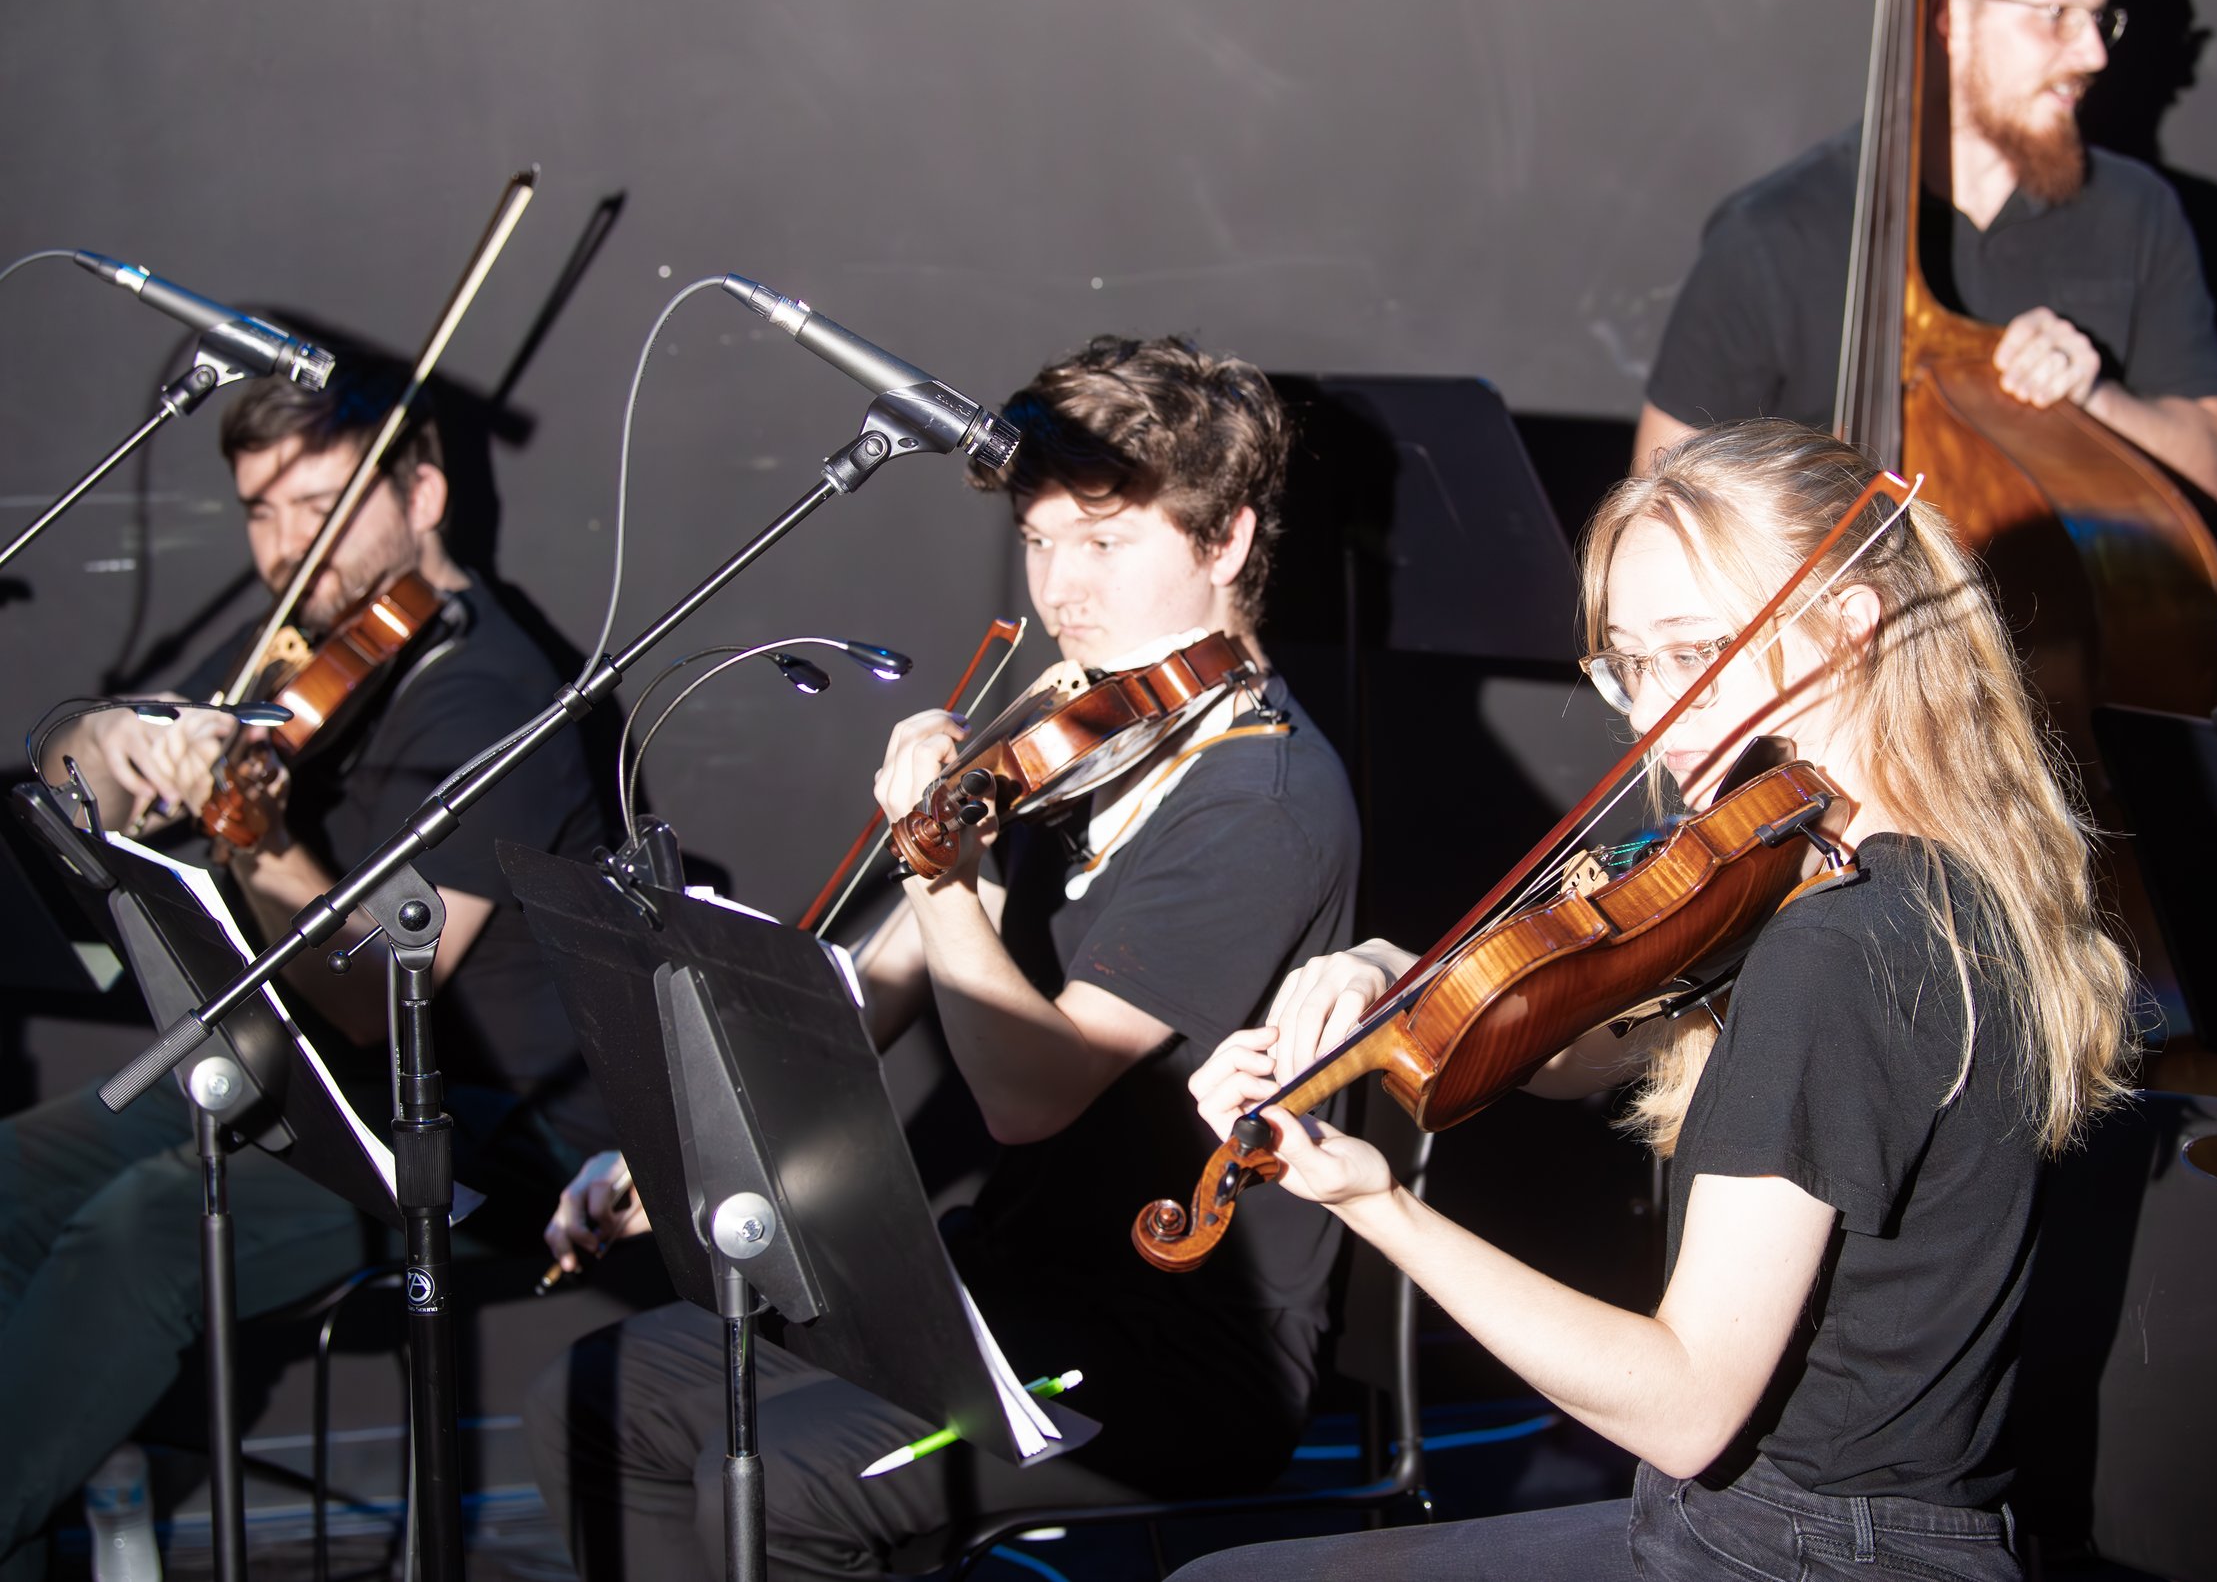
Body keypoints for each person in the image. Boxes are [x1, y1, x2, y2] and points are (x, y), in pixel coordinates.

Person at [1167, 418, 2138, 1580]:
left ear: (1849, 627)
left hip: (1805, 1553)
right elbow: (1585, 1034)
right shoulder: (1895, 870)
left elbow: (1684, 1404)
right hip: (1827, 1530)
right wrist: (1390, 974)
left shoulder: (1839, 945)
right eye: (1628, 660)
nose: (1650, 715)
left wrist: (1372, 1201)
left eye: (1694, 652)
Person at [525, 334, 1362, 1581]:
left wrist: (942, 872)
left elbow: (1031, 1094)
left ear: (1225, 541)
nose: (1059, 588)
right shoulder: (1088, 722)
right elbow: (880, 990)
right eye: (1038, 540)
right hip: (999, 1278)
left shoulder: (1263, 800)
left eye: (1103, 540)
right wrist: (695, 1145)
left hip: (1173, 1338)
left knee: (779, 1492)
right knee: (599, 1395)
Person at [0, 364, 604, 1579]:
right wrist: (115, 740)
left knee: (146, 1228)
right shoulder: (309, 638)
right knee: (13, 1172)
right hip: (292, 1082)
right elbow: (76, 778)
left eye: (318, 504)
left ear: (422, 490)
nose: (289, 548)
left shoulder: (496, 702)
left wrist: (261, 840)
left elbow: (367, 995)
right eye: (262, 512)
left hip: (470, 1136)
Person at [1636, 0, 2217, 504]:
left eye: (2099, 19)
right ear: (1949, 19)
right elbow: (1661, 499)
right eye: (2056, 15)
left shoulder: (2138, 213)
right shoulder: (1773, 234)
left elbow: (2209, 466)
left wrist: (2093, 397)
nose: (2094, 53)